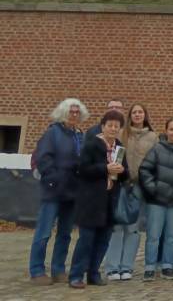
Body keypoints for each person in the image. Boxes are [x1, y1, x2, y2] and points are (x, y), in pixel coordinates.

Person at [29, 98, 88, 285]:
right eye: (71, 111)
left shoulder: (80, 136)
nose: (74, 115)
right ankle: (37, 270)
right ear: (63, 112)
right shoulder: (52, 133)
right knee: (44, 231)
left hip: (73, 191)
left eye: (77, 112)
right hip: (54, 190)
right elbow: (43, 158)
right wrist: (53, 179)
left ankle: (58, 269)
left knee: (65, 233)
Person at [67, 110, 129, 289]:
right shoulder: (92, 144)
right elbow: (83, 169)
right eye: (110, 125)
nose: (113, 129)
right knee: (86, 239)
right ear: (103, 127)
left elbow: (126, 174)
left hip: (110, 200)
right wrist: (106, 168)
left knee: (103, 240)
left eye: (116, 126)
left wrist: (122, 172)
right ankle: (76, 274)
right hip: (91, 200)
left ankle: (93, 273)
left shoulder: (119, 148)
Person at [139, 117, 173, 281]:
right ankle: (150, 266)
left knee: (172, 236)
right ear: (166, 131)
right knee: (154, 235)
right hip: (157, 200)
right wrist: (153, 189)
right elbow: (145, 170)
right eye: (172, 129)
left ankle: (168, 265)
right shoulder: (156, 149)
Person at [106, 103, 158, 281]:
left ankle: (127, 266)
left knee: (133, 228)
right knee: (117, 226)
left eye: (140, 112)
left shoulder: (152, 137)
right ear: (130, 115)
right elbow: (117, 157)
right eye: (134, 112)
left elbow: (154, 163)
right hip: (121, 183)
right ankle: (113, 267)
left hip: (139, 186)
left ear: (145, 115)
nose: (137, 115)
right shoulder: (122, 133)